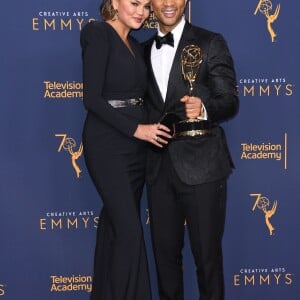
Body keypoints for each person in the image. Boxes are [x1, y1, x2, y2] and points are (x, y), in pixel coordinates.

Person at [143, 0, 239, 299]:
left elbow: (230, 100)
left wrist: (205, 108)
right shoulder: (141, 50)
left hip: (203, 166)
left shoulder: (210, 42)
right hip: (158, 168)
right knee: (164, 262)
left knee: (208, 261)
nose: (168, 3)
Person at [80, 0, 171, 299]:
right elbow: (91, 99)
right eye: (134, 3)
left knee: (115, 229)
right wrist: (137, 129)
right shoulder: (97, 33)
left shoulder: (134, 43)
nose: (141, 12)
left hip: (136, 149)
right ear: (114, 2)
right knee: (130, 234)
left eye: (146, 6)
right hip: (107, 145)